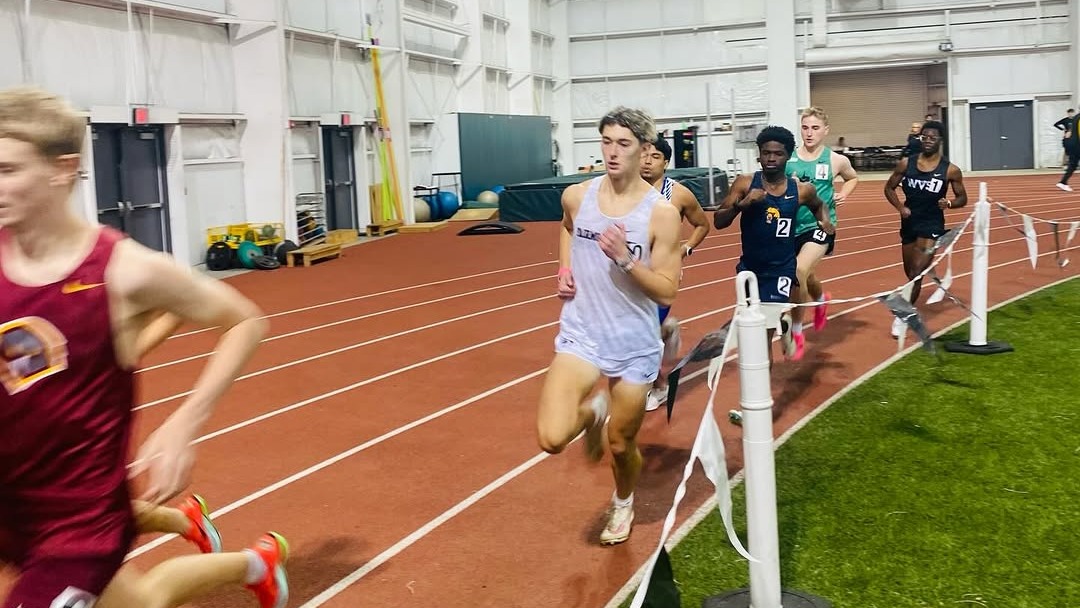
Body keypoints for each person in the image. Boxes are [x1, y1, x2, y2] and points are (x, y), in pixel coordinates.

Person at [0, 86, 289, 608]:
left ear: (62, 170)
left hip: (78, 522)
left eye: (6, 170)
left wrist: (185, 422)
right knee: (145, 603)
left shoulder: (125, 269)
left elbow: (244, 321)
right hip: (9, 506)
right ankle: (256, 564)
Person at [536, 106, 682, 546]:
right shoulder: (577, 197)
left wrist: (624, 258)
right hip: (582, 332)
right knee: (551, 437)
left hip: (634, 342)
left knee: (620, 445)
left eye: (623, 144)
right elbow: (567, 228)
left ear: (645, 150)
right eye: (606, 142)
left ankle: (622, 503)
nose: (612, 152)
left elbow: (666, 291)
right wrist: (565, 269)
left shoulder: (661, 214)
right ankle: (592, 411)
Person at [713, 125, 833, 366]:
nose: (770, 158)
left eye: (777, 154)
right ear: (759, 154)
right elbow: (718, 221)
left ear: (788, 156)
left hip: (781, 270)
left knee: (761, 337)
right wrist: (742, 205)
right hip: (750, 270)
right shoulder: (745, 183)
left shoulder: (801, 190)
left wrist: (825, 222)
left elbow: (819, 205)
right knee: (755, 333)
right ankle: (784, 325)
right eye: (766, 152)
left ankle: (761, 400)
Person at [639, 134, 710, 411]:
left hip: (663, 274)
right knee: (637, 330)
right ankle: (667, 331)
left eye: (655, 156)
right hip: (632, 270)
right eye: (643, 154)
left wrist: (686, 248)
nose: (647, 161)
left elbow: (702, 225)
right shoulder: (624, 191)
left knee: (643, 332)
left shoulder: (677, 194)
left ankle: (658, 386)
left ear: (666, 162)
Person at [784, 107, 859, 359]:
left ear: (825, 131)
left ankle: (796, 329)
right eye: (805, 127)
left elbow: (852, 177)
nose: (809, 133)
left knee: (799, 270)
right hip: (790, 227)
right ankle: (820, 298)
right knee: (806, 275)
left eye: (815, 128)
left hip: (821, 226)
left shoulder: (836, 160)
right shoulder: (788, 159)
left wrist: (844, 193)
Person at [883, 120, 968, 338]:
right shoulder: (906, 164)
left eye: (932, 137)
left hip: (932, 224)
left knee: (916, 273)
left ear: (940, 140)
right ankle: (909, 308)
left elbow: (962, 198)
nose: (928, 141)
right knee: (910, 272)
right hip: (909, 222)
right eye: (924, 137)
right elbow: (889, 188)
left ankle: (901, 317)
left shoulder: (950, 170)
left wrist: (948, 204)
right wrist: (900, 207)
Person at [1055, 109, 1078, 192]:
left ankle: (1063, 182)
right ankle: (1063, 182)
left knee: (1073, 165)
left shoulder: (1075, 118)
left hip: (1072, 143)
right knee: (1072, 163)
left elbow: (1070, 132)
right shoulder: (1073, 119)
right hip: (1075, 144)